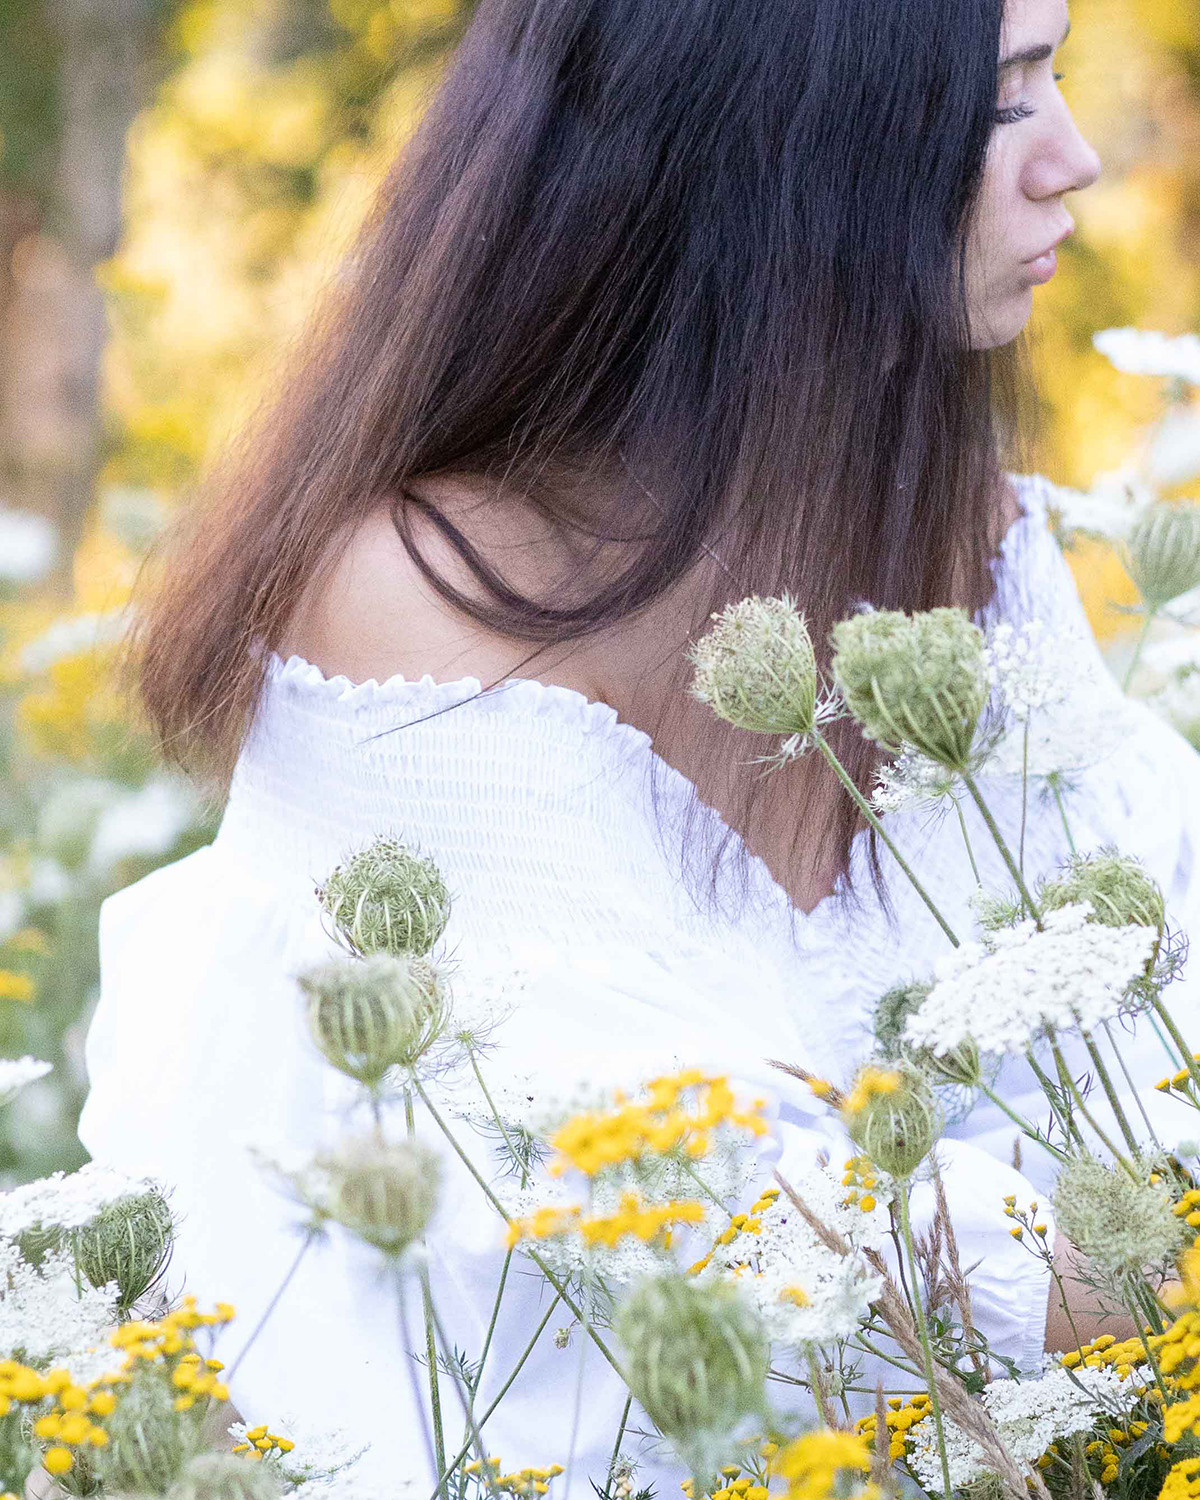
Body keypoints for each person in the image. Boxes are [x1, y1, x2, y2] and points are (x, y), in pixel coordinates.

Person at [77, 0, 1200, 1489]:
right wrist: (1136, 1285)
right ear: (779, 143)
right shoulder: (410, 607)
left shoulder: (954, 529)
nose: (1075, 161)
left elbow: (1148, 968)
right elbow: (694, 1215)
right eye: (1003, 103)